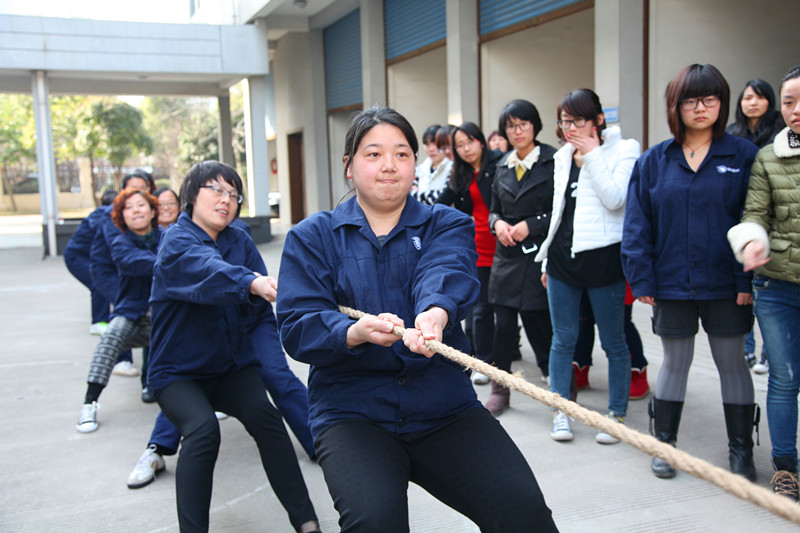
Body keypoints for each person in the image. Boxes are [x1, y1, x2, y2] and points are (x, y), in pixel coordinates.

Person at [277, 106, 558, 533]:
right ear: (349, 166)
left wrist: (435, 312)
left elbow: (445, 270)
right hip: (353, 412)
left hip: (443, 405)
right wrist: (351, 332)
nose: (389, 165)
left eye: (402, 153)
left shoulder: (446, 224)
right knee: (375, 523)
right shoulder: (311, 238)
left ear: (415, 164)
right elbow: (298, 323)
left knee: (525, 513)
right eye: (374, 154)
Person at [146, 161, 319, 533]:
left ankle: (308, 523)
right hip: (178, 373)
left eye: (233, 194)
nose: (226, 200)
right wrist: (252, 282)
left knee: (267, 418)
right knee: (203, 429)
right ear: (191, 195)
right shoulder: (176, 242)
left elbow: (259, 307)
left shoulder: (239, 239)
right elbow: (208, 269)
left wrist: (273, 291)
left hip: (230, 367)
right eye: (216, 190)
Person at [622, 64, 760, 481]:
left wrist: (745, 281)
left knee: (732, 363)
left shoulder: (743, 156)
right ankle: (664, 446)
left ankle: (741, 451)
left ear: (722, 102)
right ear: (675, 106)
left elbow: (753, 219)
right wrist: (642, 278)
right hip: (671, 282)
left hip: (727, 284)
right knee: (675, 362)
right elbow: (637, 225)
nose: (701, 108)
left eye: (710, 99)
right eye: (690, 100)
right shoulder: (653, 161)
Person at [535, 88, 639, 443]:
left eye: (578, 120)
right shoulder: (562, 156)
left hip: (604, 263)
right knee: (562, 340)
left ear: (598, 120)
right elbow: (559, 213)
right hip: (562, 261)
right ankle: (561, 411)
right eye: (565, 121)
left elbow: (616, 200)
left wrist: (593, 153)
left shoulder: (625, 149)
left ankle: (616, 415)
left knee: (614, 342)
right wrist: (546, 261)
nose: (571, 128)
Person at [727, 65, 800, 500]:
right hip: (777, 287)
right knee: (784, 378)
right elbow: (754, 212)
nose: (796, 110)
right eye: (790, 102)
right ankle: (786, 467)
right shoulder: (769, 157)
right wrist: (752, 241)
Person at [486, 99, 556, 416]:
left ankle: (555, 379)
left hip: (539, 253)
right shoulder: (502, 164)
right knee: (502, 326)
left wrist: (533, 224)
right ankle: (500, 389)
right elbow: (494, 210)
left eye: (523, 124)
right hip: (507, 254)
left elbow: (561, 210)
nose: (517, 131)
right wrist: (497, 224)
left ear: (534, 126)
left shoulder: (553, 160)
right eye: (511, 126)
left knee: (539, 321)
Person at [75, 187, 162, 433]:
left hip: (165, 314)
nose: (136, 210)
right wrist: (171, 260)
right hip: (133, 313)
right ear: (121, 216)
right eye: (128, 207)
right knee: (111, 336)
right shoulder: (120, 242)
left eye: (141, 205)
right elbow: (137, 263)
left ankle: (210, 397)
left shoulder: (168, 236)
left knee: (196, 334)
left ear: (153, 211)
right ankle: (89, 402)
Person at [437, 122, 503, 385]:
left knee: (512, 310)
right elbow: (442, 202)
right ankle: (482, 362)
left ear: (481, 141)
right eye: (460, 145)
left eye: (470, 142)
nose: (466, 149)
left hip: (504, 244)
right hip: (478, 248)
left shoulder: (499, 165)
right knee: (481, 308)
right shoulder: (460, 173)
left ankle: (541, 362)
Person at [726, 78, 785, 374]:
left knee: (767, 290)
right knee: (742, 288)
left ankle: (767, 352)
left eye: (759, 97)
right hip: (740, 218)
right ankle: (746, 348)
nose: (752, 103)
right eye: (747, 97)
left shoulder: (780, 134)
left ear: (770, 102)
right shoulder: (732, 134)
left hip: (769, 219)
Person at [89, 170, 156, 378]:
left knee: (155, 322)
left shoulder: (161, 231)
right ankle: (122, 360)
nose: (135, 209)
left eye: (143, 188)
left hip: (142, 278)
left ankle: (149, 381)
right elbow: (126, 255)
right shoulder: (116, 222)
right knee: (124, 318)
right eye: (133, 187)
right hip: (110, 273)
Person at [571, 282, 651, 401]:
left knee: (619, 322)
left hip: (614, 277)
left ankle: (636, 371)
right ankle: (579, 366)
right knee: (583, 318)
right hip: (582, 274)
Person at [63, 190, 117, 335]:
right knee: (98, 283)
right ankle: (98, 322)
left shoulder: (104, 214)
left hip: (85, 256)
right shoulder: (103, 215)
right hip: (77, 257)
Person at [411, 124, 453, 205]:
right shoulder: (420, 169)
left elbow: (443, 197)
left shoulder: (452, 167)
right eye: (427, 144)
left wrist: (418, 194)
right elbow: (408, 194)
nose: (431, 149)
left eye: (434, 143)